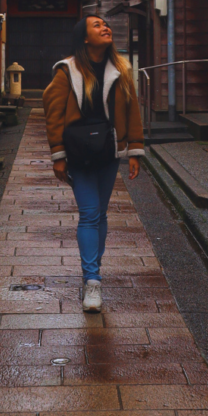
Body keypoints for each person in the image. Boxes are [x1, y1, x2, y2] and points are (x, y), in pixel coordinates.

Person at [42, 16, 145, 312]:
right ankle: (92, 281)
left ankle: (92, 271)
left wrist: (134, 150)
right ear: (84, 38)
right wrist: (58, 155)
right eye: (97, 25)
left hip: (109, 151)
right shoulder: (67, 70)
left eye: (106, 24)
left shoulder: (120, 69)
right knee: (89, 214)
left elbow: (132, 109)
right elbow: (53, 111)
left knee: (100, 213)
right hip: (79, 152)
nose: (105, 27)